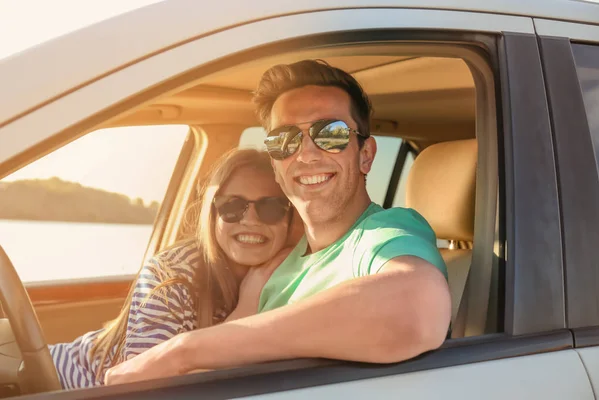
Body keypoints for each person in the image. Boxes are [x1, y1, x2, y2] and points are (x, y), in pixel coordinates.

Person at [104, 60, 451, 385]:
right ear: (276, 165)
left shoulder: (384, 233)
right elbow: (217, 373)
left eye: (330, 133)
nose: (307, 154)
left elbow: (417, 307)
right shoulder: (279, 263)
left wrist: (181, 350)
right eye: (284, 140)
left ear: (365, 154)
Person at [49, 148, 299, 389]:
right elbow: (145, 387)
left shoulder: (297, 275)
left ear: (290, 216)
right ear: (211, 213)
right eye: (232, 206)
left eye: (270, 207)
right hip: (56, 379)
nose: (251, 220)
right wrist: (243, 315)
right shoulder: (168, 275)